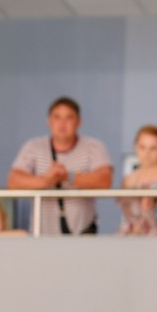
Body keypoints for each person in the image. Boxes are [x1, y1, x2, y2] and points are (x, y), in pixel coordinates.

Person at [7, 96, 113, 235]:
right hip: (42, 235)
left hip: (82, 234)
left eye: (69, 117)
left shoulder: (94, 147)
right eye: (57, 117)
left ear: (79, 122)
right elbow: (13, 181)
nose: (62, 124)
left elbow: (105, 180)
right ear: (49, 121)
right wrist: (47, 180)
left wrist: (69, 177)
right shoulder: (33, 147)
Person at [118, 125, 157, 236]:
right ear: (135, 146)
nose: (147, 153)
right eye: (142, 147)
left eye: (153, 148)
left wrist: (153, 189)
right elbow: (127, 214)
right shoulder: (128, 179)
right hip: (131, 235)